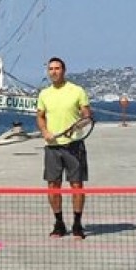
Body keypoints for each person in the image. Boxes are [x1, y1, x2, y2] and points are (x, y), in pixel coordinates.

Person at [36, 56, 92, 240]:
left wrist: (80, 124)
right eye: (51, 69)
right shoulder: (44, 94)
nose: (54, 71)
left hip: (74, 145)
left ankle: (77, 223)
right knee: (53, 186)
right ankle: (59, 223)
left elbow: (86, 114)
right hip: (52, 147)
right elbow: (40, 116)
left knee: (77, 185)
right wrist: (44, 131)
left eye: (57, 68)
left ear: (64, 70)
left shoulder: (77, 91)